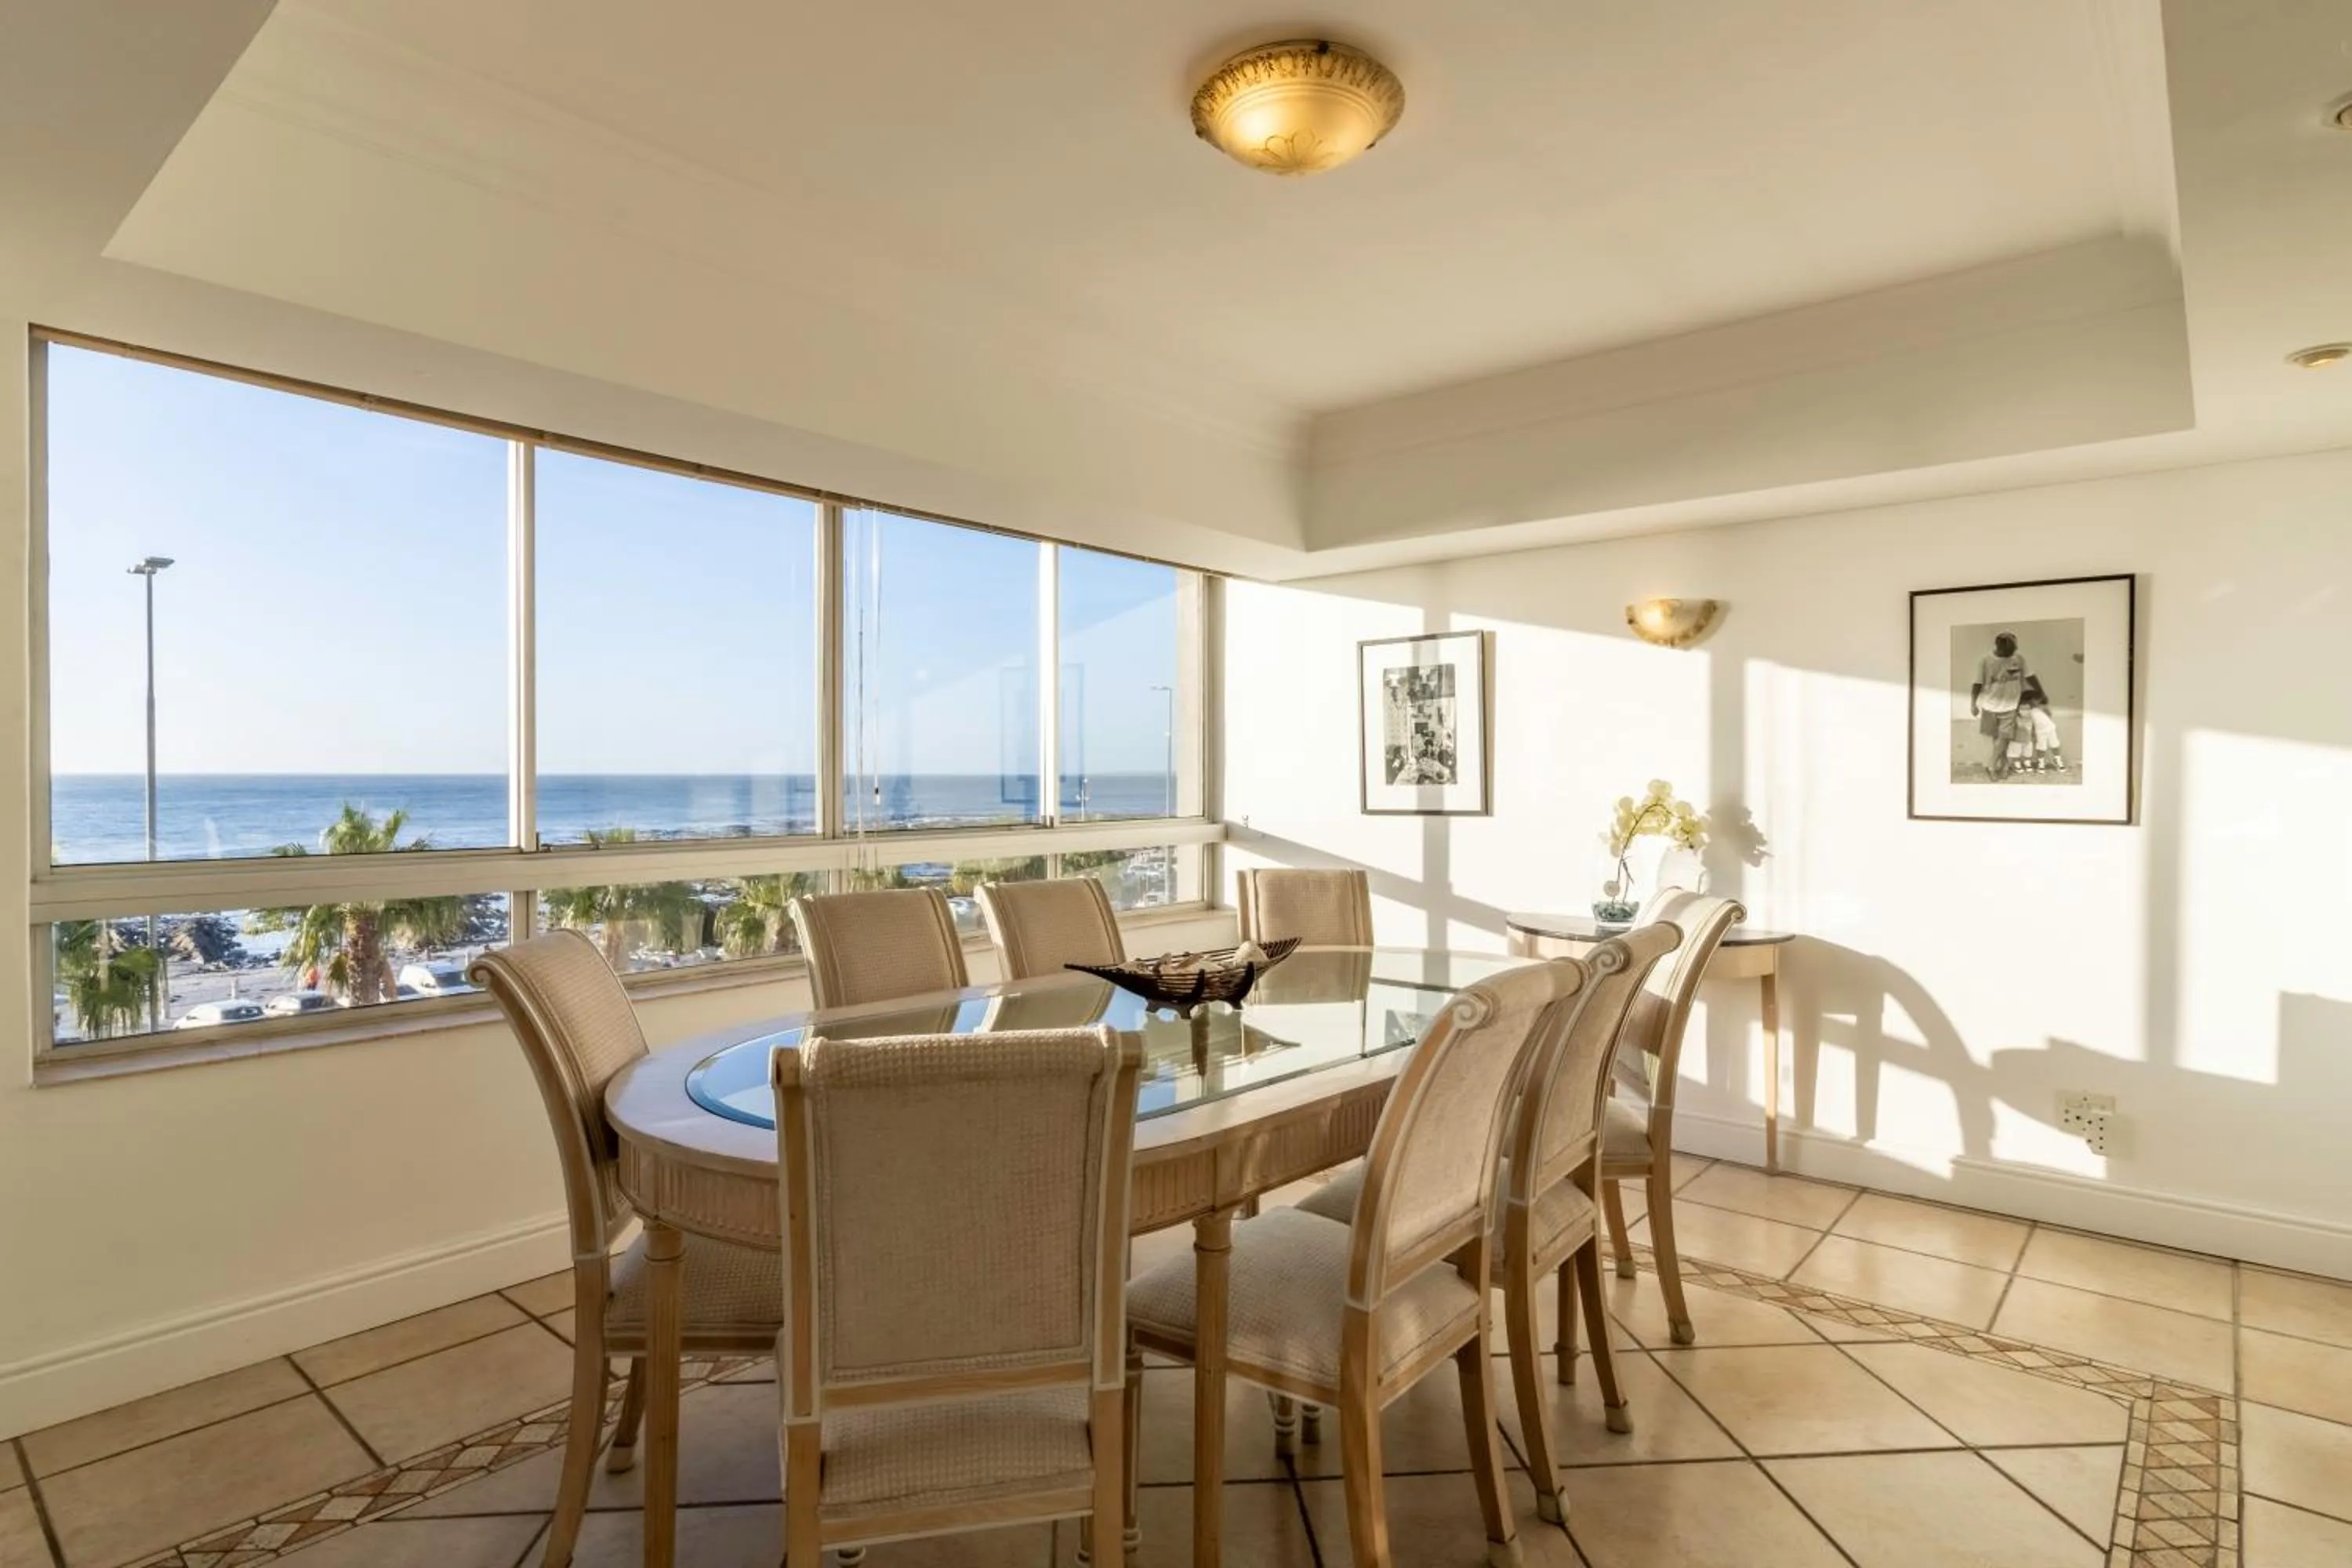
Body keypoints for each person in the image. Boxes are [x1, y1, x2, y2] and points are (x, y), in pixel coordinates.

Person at [1969, 631, 2034, 781]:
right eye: (2009, 650)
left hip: (2011, 706)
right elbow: (1977, 684)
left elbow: (2025, 680)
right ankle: (2004, 765)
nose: (2012, 653)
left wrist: (2027, 700)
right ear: (1999, 647)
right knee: (1998, 739)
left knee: (2004, 738)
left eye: (2014, 649)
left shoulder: (2019, 659)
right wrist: (1973, 704)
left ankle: (1991, 766)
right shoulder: (1985, 661)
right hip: (1990, 705)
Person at [2019, 689, 2065, 773]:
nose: (2038, 702)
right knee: (2041, 747)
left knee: (2055, 744)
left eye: (2038, 700)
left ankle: (2058, 760)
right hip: (2040, 731)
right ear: (2030, 701)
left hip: (2050, 728)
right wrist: (2032, 732)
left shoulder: (2041, 708)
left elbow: (2049, 715)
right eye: (2036, 700)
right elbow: (2028, 721)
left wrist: (2044, 708)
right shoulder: (2027, 711)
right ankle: (2041, 763)